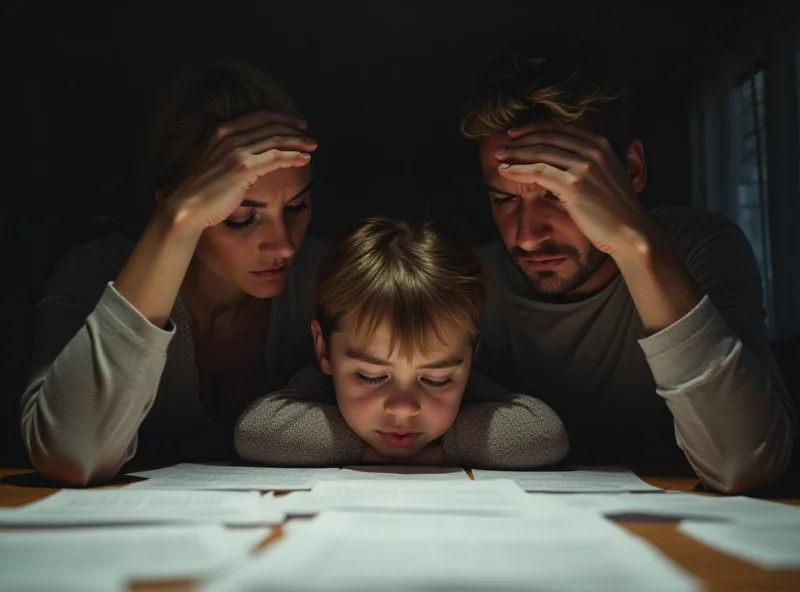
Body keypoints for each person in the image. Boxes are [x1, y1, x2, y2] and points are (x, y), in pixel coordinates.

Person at [459, 41, 796, 493]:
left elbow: (746, 465)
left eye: (558, 193)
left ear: (631, 170)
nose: (526, 236)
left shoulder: (700, 247)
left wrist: (633, 244)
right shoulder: (475, 281)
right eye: (503, 199)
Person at [20, 61, 326, 485]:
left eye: (297, 207)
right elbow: (70, 456)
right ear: (174, 203)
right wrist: (174, 225)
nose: (284, 245)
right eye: (239, 218)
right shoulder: (97, 273)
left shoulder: (328, 278)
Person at [235, 216, 569, 468]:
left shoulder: (473, 390)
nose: (404, 407)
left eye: (436, 380)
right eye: (370, 376)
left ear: (471, 357)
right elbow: (256, 431)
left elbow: (544, 435)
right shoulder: (317, 385)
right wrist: (385, 453)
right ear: (323, 349)